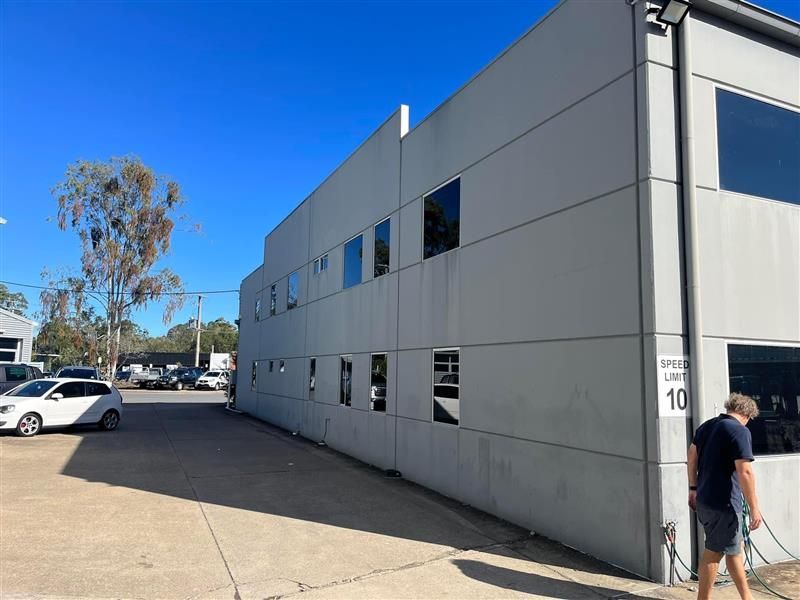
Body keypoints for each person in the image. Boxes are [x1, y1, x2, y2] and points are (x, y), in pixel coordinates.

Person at [687, 393, 762, 600]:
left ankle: (747, 597)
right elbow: (745, 472)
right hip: (725, 503)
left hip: (705, 498)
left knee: (733, 550)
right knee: (714, 552)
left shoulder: (707, 426)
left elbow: (692, 455)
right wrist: (754, 507)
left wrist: (693, 487)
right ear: (747, 414)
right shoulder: (739, 431)